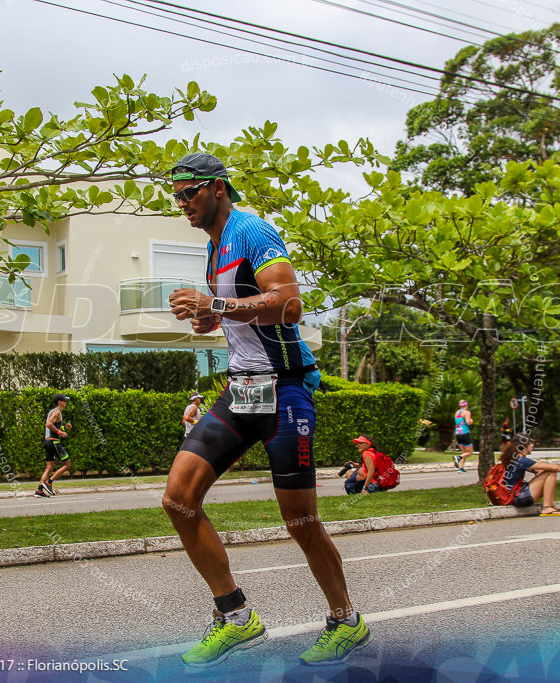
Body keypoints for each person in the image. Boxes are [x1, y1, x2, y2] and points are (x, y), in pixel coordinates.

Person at [164, 152, 369, 668]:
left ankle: (346, 620)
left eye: (189, 192)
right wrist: (210, 320)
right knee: (178, 499)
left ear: (217, 188)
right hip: (243, 389)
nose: (181, 202)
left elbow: (289, 303)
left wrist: (216, 306)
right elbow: (242, 314)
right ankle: (236, 616)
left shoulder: (253, 231)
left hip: (285, 389)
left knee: (300, 520)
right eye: (176, 195)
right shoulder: (214, 251)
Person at [499, 432, 560, 516]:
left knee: (548, 471)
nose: (532, 446)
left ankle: (550, 506)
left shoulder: (514, 458)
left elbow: (540, 470)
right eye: (531, 444)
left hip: (514, 496)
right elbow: (554, 468)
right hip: (520, 497)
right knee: (551, 471)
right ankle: (547, 507)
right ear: (525, 445)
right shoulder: (521, 460)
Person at [35, 394, 71, 498]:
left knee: (49, 467)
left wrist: (64, 427)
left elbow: (53, 426)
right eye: (65, 401)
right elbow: (49, 424)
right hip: (54, 442)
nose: (66, 403)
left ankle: (39, 490)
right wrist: (60, 432)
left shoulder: (53, 412)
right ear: (60, 402)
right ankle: (49, 482)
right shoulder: (56, 412)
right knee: (67, 464)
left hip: (47, 442)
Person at [452, 399, 474, 472]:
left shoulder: (457, 412)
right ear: (466, 405)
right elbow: (468, 422)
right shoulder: (467, 412)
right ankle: (458, 458)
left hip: (458, 434)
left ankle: (461, 468)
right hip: (465, 434)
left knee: (464, 453)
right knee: (469, 452)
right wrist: (471, 421)